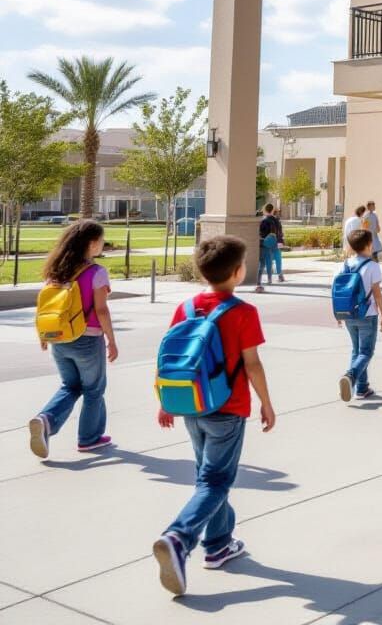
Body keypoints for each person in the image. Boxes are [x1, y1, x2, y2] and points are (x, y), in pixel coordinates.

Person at [153, 235, 275, 596]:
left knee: (208, 477)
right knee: (215, 481)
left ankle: (219, 544)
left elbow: (172, 362)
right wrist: (266, 403)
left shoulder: (186, 308)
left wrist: (165, 401)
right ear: (238, 273)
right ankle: (179, 537)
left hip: (190, 404)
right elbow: (252, 364)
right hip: (228, 408)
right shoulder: (243, 312)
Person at [29, 220, 118, 459]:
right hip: (87, 340)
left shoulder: (57, 270)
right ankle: (89, 438)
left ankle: (46, 419)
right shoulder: (97, 272)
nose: (102, 244)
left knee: (70, 386)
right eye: (101, 240)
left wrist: (44, 335)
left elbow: (48, 306)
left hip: (58, 339)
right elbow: (101, 311)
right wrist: (111, 340)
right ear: (91, 244)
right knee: (93, 390)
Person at [338, 229, 382, 402]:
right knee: (366, 352)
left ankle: (362, 388)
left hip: (348, 313)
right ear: (368, 245)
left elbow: (340, 290)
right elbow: (377, 293)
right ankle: (351, 376)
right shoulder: (372, 266)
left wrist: (338, 314)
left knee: (357, 350)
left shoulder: (345, 264)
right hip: (367, 313)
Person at [256, 203, 284, 292]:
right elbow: (280, 232)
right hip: (275, 242)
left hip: (266, 243)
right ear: (272, 210)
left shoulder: (264, 220)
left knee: (266, 260)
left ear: (265, 210)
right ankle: (279, 275)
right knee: (278, 258)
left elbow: (261, 233)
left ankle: (268, 279)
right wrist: (280, 241)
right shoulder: (276, 220)